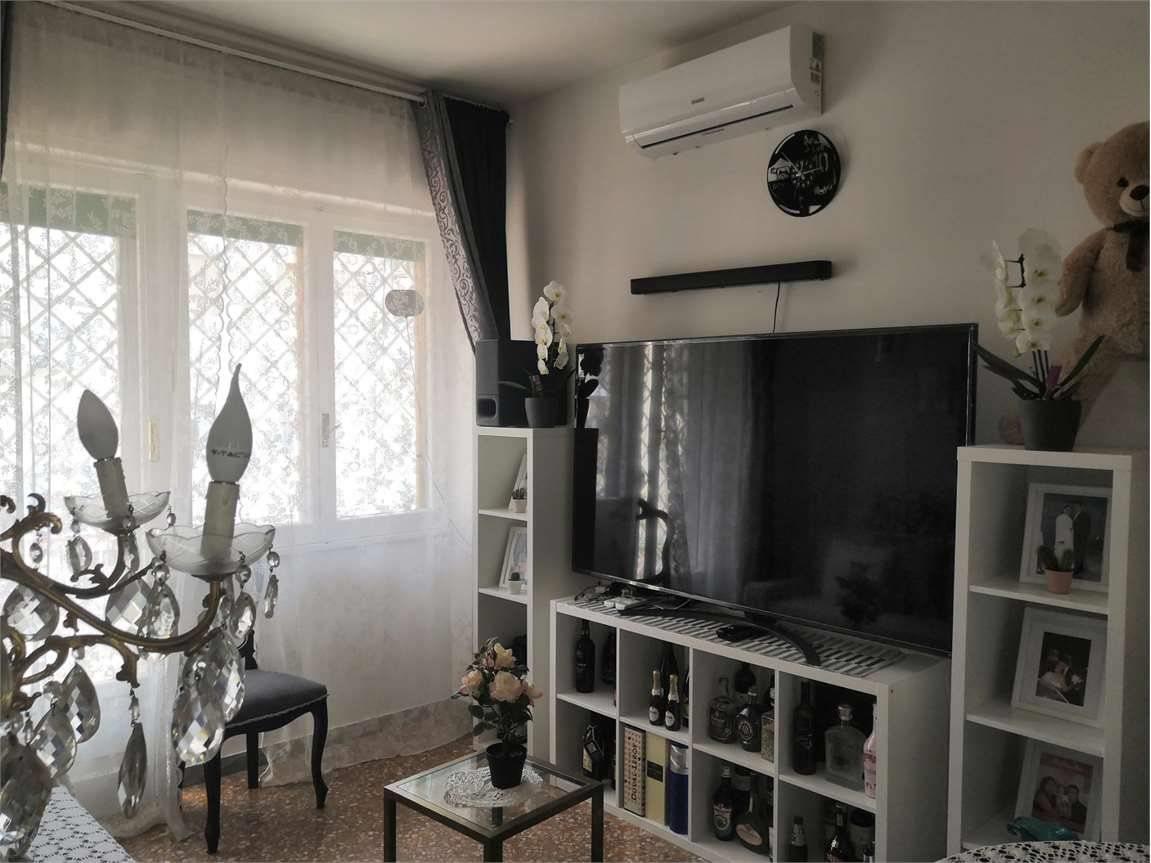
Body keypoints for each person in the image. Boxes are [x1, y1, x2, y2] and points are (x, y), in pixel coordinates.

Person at [1071, 502, 1092, 576]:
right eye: (1074, 506)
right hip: (1077, 538)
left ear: (1080, 507)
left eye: (1077, 506)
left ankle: (1077, 569)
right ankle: (1080, 568)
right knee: (1078, 554)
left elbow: (1086, 527)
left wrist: (1082, 536)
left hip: (1080, 538)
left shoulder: (1084, 515)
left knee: (1079, 554)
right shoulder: (1076, 515)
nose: (1075, 508)